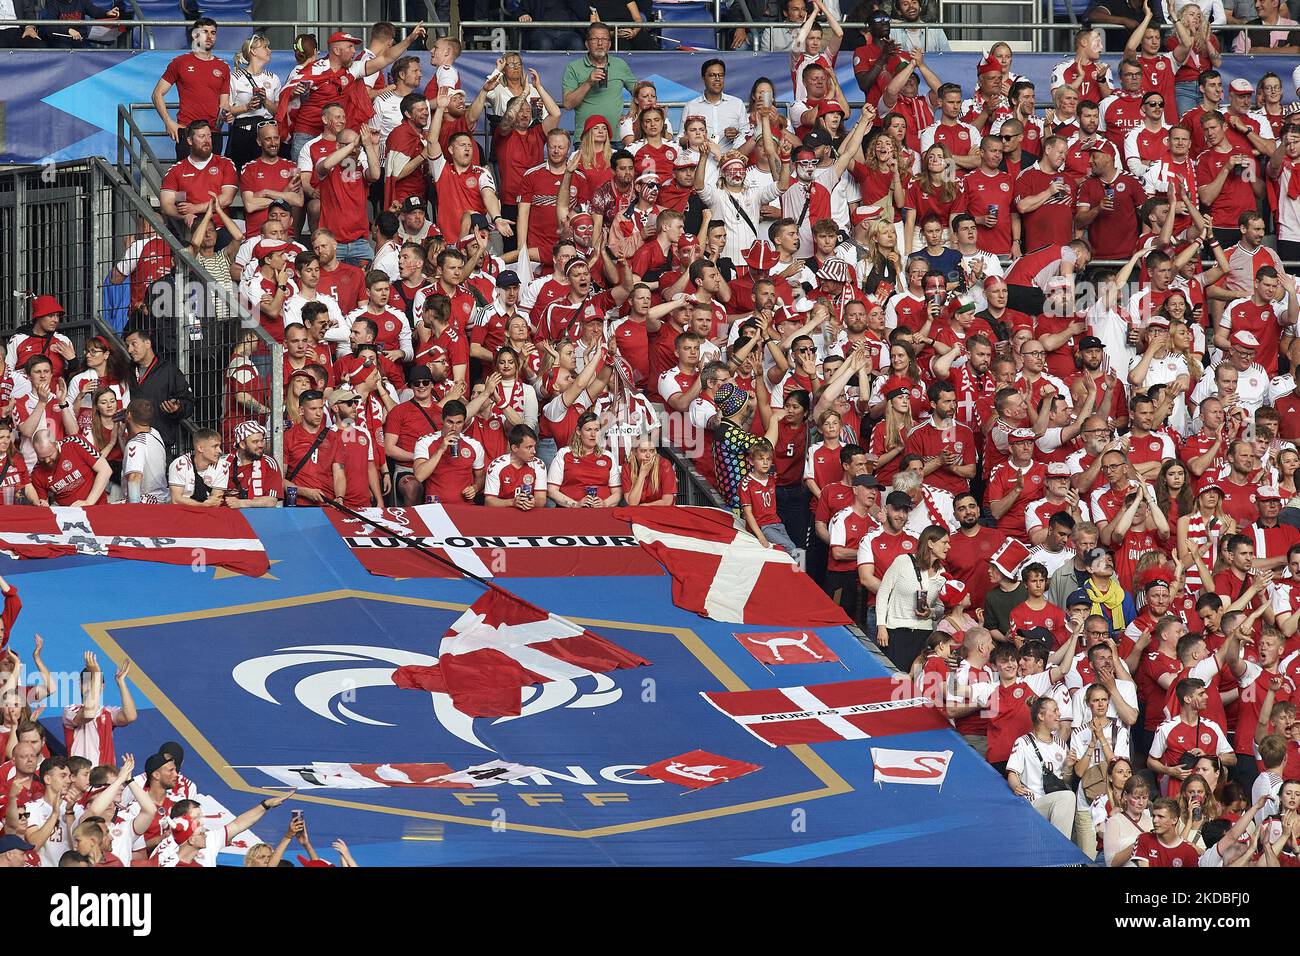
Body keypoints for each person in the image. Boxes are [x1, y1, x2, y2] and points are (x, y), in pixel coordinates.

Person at [152, 18, 230, 159]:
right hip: (187, 131)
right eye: (205, 31)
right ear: (195, 35)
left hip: (213, 133)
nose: (210, 36)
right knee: (185, 179)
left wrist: (228, 113)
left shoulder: (223, 67)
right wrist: (168, 122)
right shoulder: (180, 62)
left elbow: (224, 104)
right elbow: (157, 93)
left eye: (213, 32)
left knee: (213, 179)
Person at [876, 523, 950, 671]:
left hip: (924, 634)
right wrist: (881, 626)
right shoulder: (903, 561)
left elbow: (941, 606)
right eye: (944, 543)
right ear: (930, 543)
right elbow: (883, 593)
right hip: (895, 631)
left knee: (916, 682)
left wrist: (931, 612)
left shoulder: (942, 573)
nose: (948, 547)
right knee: (893, 678)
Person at [1007, 697, 1077, 843]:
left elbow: (1064, 780)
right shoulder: (1023, 742)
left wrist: (1069, 766)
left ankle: (1058, 852)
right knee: (1068, 797)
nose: (1059, 714)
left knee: (1067, 796)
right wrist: (1016, 786)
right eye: (1055, 710)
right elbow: (1013, 773)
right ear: (1041, 716)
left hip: (1056, 801)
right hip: (1033, 803)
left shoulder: (1061, 745)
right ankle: (1060, 850)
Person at [124, 328, 194, 455]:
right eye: (127, 345)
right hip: (131, 442)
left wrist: (177, 408)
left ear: (148, 343)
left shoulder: (169, 371)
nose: (129, 350)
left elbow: (188, 402)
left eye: (134, 344)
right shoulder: (126, 372)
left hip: (160, 443)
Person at [561, 24, 638, 137]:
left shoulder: (620, 64)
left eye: (604, 39)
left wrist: (633, 112)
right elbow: (567, 104)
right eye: (595, 39)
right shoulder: (573, 67)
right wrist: (588, 83)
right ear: (587, 44)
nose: (600, 43)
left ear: (610, 44)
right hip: (586, 139)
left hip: (617, 137)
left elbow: (639, 92)